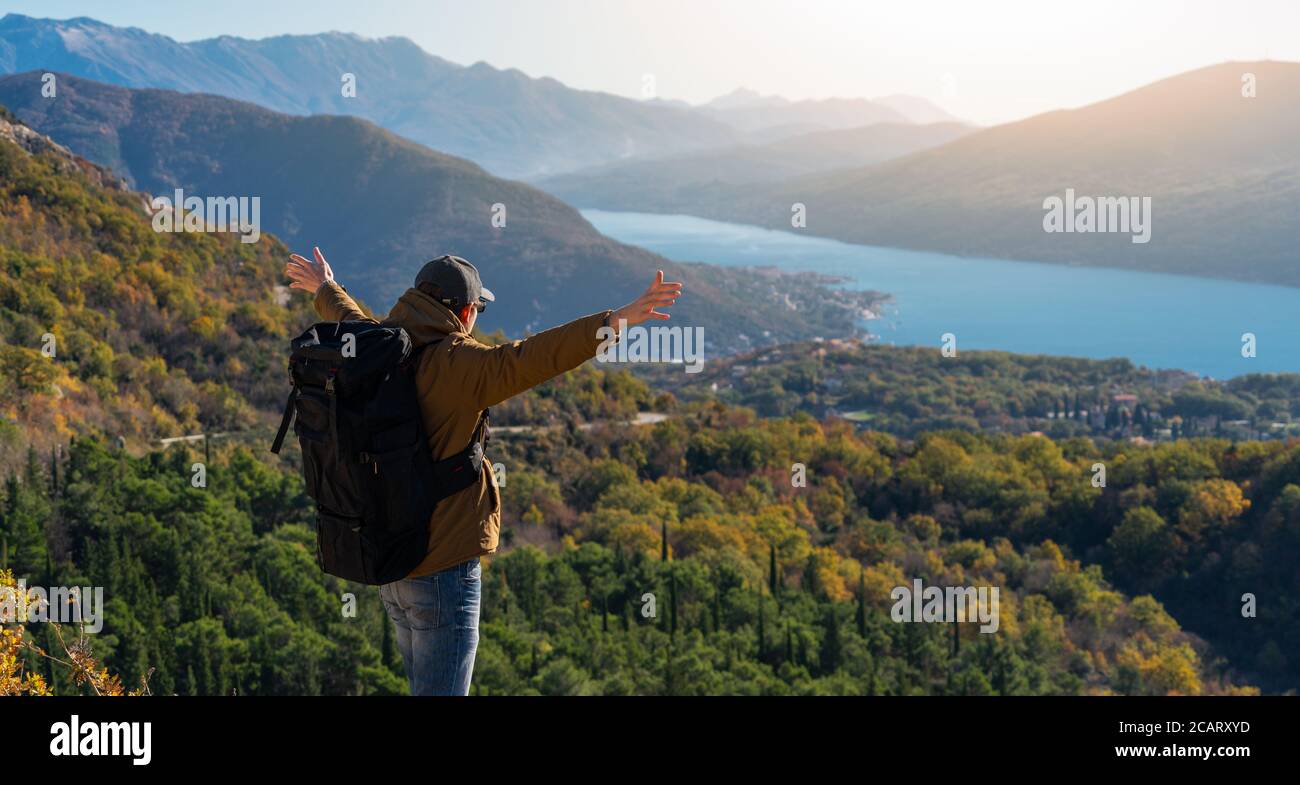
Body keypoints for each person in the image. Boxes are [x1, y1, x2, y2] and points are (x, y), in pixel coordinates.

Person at [284, 247, 682, 695]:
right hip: (441, 568)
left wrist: (325, 286)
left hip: (389, 559)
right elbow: (535, 357)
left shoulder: (379, 346)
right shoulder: (461, 364)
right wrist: (617, 320)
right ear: (466, 311)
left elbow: (349, 316)